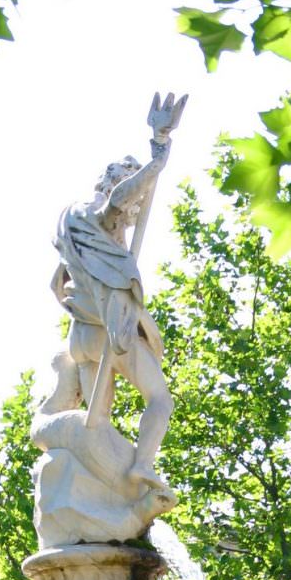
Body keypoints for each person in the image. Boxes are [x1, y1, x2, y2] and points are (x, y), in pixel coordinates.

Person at [51, 93, 185, 489]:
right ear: (115, 183)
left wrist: (81, 307)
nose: (136, 204)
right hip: (112, 333)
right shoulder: (97, 215)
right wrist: (157, 154)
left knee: (99, 421)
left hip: (81, 335)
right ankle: (142, 465)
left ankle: (94, 494)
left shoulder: (72, 225)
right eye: (135, 195)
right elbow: (116, 202)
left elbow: (54, 285)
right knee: (160, 399)